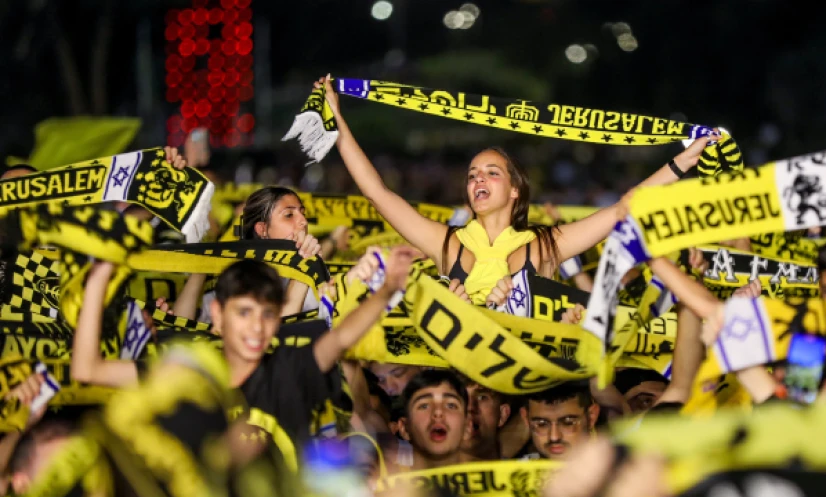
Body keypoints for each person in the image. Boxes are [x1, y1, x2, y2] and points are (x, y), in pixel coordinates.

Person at [315, 75, 717, 305]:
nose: (478, 181)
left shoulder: (545, 245)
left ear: (514, 192)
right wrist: (334, 117)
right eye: (472, 175)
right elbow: (378, 194)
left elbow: (621, 209)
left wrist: (682, 162)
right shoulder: (447, 243)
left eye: (491, 173)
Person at [72, 247, 417, 468]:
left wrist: (386, 291)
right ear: (218, 314)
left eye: (267, 314)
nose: (257, 327)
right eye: (245, 312)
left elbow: (340, 338)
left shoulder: (288, 369)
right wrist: (100, 277)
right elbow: (87, 369)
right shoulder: (185, 372)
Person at [173, 185, 324, 321]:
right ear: (262, 229)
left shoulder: (309, 268)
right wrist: (202, 265)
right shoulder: (234, 275)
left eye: (303, 213)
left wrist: (308, 267)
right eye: (289, 215)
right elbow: (180, 325)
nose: (303, 221)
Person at [396, 370, 471, 470]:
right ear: (404, 428)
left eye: (451, 405)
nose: (438, 411)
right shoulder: (382, 483)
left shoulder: (497, 480)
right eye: (424, 406)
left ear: (467, 427)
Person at [520, 384, 599, 461]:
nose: (554, 437)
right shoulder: (515, 470)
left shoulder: (609, 470)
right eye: (541, 424)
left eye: (568, 423)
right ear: (526, 418)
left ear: (591, 417)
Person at [458, 376, 511, 462]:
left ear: (502, 414)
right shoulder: (428, 474)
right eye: (461, 397)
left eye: (482, 397)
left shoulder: (529, 474)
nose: (470, 407)